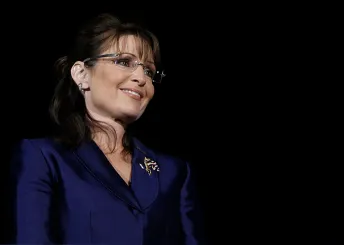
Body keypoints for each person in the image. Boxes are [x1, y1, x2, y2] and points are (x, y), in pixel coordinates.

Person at [8, 13, 205, 244]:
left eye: (149, 71)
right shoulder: (43, 158)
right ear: (81, 74)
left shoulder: (175, 172)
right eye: (124, 62)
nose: (141, 77)